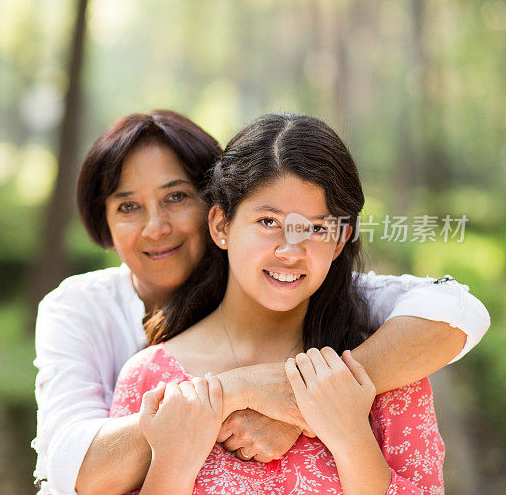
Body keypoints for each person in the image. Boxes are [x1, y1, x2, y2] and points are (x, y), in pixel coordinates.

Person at [33, 110, 488, 494]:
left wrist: (341, 424)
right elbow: (71, 462)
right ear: (222, 225)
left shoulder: (387, 367)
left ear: (341, 238)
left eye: (316, 227)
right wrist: (184, 441)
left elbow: (453, 307)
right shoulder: (152, 379)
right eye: (268, 221)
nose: (291, 249)